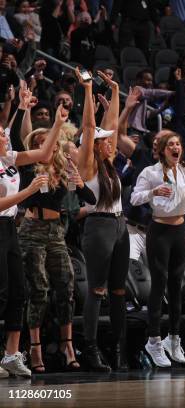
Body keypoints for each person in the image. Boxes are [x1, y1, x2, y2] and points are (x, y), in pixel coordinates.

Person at [9, 86, 93, 374]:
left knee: (66, 286)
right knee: (39, 289)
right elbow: (20, 139)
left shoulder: (62, 168)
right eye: (43, 142)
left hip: (56, 231)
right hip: (31, 229)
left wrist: (77, 182)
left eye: (52, 142)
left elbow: (81, 197)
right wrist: (24, 108)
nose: (49, 146)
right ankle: (34, 350)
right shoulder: (29, 170)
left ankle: (68, 345)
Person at [76, 68, 129, 372]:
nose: (111, 141)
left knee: (119, 290)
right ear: (94, 144)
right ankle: (90, 349)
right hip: (99, 227)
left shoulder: (107, 160)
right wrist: (86, 91)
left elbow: (111, 126)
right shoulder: (87, 164)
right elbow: (91, 124)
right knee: (97, 289)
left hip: (119, 226)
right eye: (104, 140)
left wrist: (116, 92)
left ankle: (122, 350)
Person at [0, 117, 59, 378]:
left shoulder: (9, 158)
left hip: (9, 228)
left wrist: (58, 122)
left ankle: (11, 355)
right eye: (1, 134)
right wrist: (29, 191)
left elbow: (45, 152)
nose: (5, 136)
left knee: (19, 292)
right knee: (0, 292)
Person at [130, 131, 185, 368]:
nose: (175, 148)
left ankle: (174, 339)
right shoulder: (150, 172)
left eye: (178, 143)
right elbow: (134, 198)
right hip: (159, 231)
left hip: (180, 231)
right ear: (162, 150)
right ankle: (153, 340)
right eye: (171, 145)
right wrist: (153, 192)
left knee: (177, 286)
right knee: (159, 285)